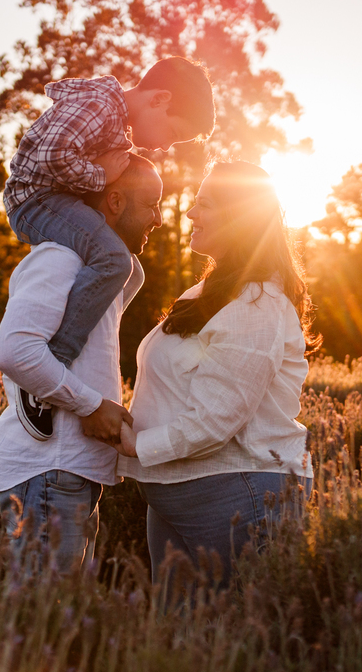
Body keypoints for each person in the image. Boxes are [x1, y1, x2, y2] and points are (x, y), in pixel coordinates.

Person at [115, 161, 320, 585]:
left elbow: (217, 417)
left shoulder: (258, 303)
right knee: (179, 639)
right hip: (180, 489)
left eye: (203, 204)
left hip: (238, 492)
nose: (189, 213)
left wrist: (138, 445)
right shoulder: (206, 293)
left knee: (238, 634)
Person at [3, 56, 215, 441]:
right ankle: (56, 362)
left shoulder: (117, 121)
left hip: (59, 199)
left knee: (131, 269)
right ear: (160, 100)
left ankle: (89, 328)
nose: (166, 145)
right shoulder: (100, 106)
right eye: (172, 133)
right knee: (114, 258)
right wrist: (102, 175)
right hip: (35, 200)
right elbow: (53, 156)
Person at [0, 154, 163, 571]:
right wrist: (91, 405)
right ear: (116, 201)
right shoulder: (59, 257)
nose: (159, 218)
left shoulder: (101, 271)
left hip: (71, 473)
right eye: (151, 203)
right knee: (43, 623)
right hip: (50, 471)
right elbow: (14, 351)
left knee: (62, 623)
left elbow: (130, 275)